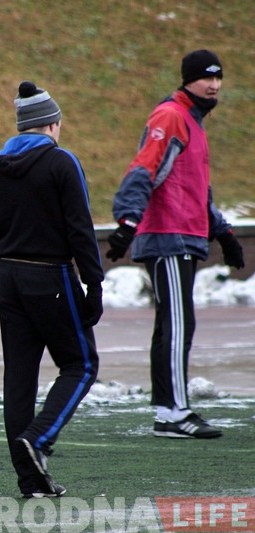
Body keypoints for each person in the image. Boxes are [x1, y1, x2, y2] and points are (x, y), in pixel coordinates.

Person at [107, 49, 245, 439]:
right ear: (188, 80)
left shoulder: (193, 122)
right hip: (169, 236)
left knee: (171, 324)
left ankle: (168, 412)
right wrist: (128, 220)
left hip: (184, 235)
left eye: (218, 78)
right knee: (178, 324)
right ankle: (175, 413)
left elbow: (197, 190)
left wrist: (223, 233)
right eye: (206, 78)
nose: (214, 85)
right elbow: (144, 168)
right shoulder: (171, 117)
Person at [0, 81, 104, 498]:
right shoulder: (61, 163)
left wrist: (0, 281)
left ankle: (31, 480)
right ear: (52, 124)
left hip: (8, 278)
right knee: (81, 364)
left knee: (19, 378)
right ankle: (40, 438)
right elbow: (80, 227)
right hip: (50, 276)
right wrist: (94, 283)